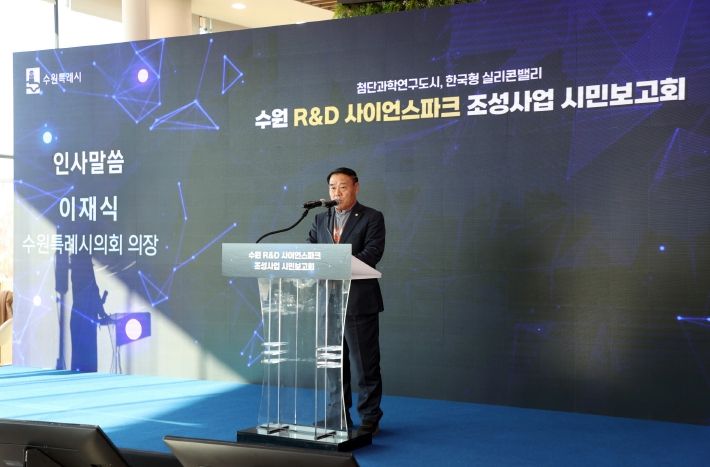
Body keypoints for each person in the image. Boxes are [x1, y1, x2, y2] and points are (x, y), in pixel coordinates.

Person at [307, 167, 386, 436]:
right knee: (332, 363)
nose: (336, 192)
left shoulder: (372, 217)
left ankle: (370, 417)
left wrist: (335, 265)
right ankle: (336, 415)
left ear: (355, 187)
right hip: (328, 301)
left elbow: (372, 253)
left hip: (358, 302)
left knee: (365, 364)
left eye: (342, 186)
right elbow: (310, 251)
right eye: (332, 187)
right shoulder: (320, 219)